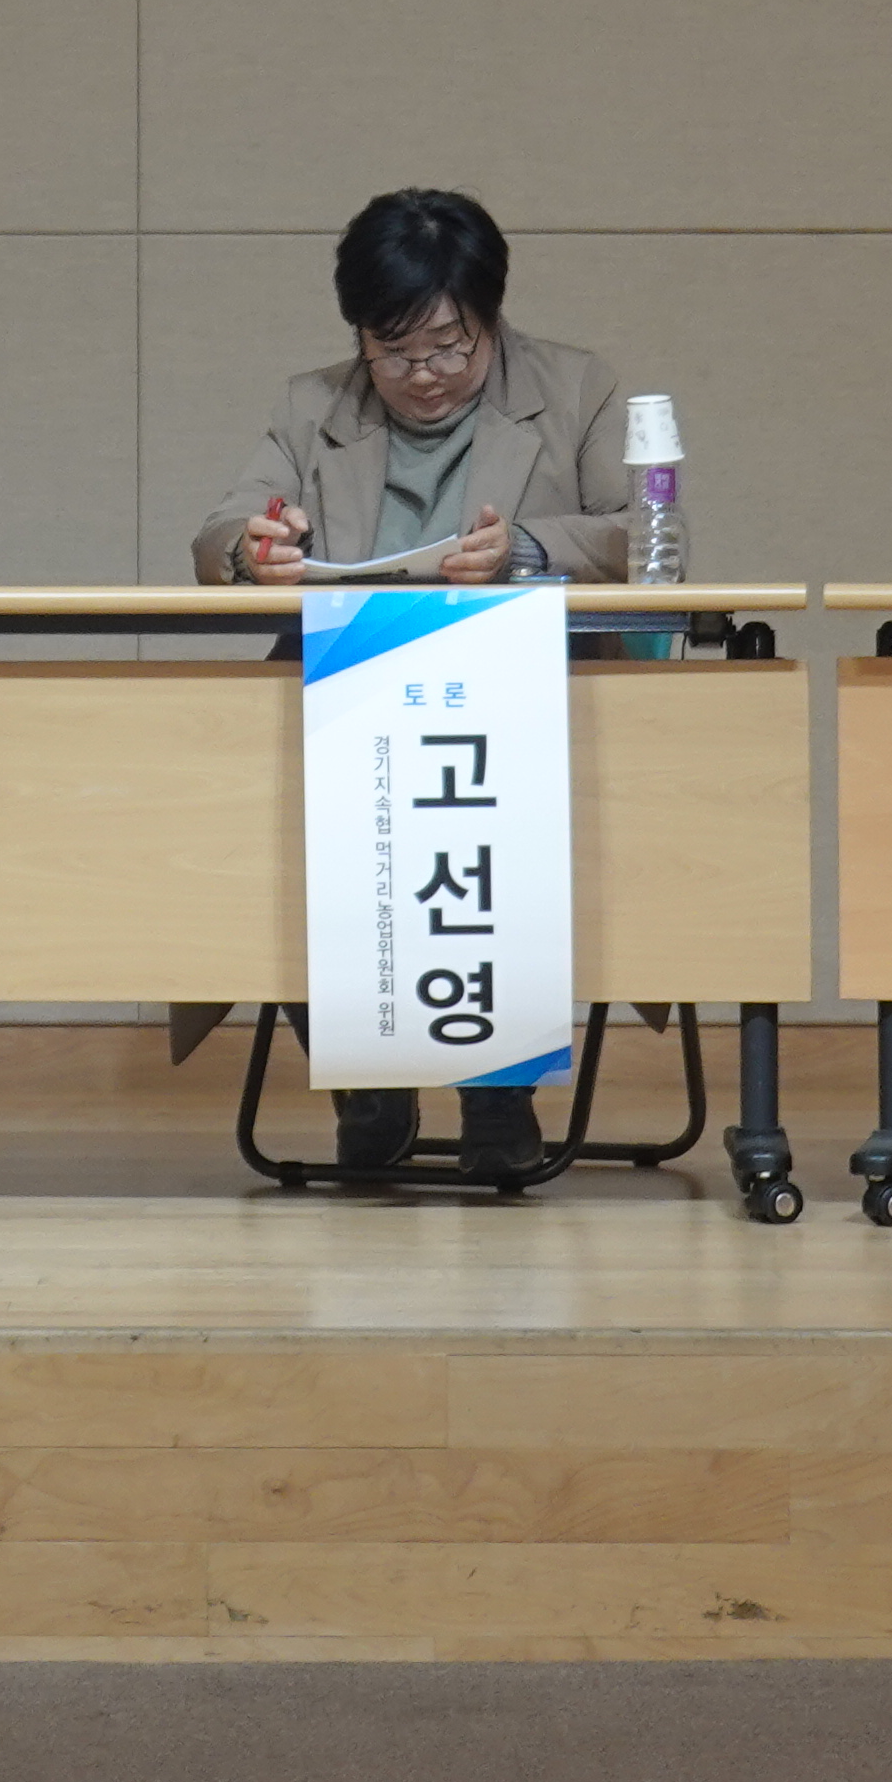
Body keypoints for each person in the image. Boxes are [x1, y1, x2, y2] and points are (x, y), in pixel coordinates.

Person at [192, 188, 649, 1178]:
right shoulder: (312, 406)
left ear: (491, 317)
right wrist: (252, 550)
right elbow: (221, 531)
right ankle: (367, 1084)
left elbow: (645, 537)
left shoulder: (577, 388)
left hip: (522, 711)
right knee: (256, 821)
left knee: (502, 818)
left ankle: (497, 1092)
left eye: (450, 347)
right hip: (347, 706)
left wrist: (527, 550)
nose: (424, 376)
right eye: (392, 352)